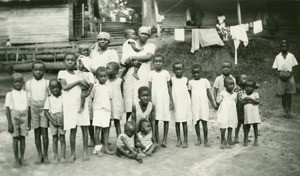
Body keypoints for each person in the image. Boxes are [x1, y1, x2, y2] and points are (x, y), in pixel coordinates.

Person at [58, 52, 90, 162]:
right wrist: (78, 82)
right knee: (73, 130)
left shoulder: (79, 73)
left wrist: (85, 84)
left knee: (85, 128)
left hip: (81, 104)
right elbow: (65, 87)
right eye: (68, 60)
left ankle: (85, 152)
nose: (70, 61)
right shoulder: (62, 73)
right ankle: (73, 154)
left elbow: (87, 84)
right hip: (70, 105)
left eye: (73, 60)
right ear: (64, 62)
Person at [122, 26, 156, 121]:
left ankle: (144, 126)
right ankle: (130, 128)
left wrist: (132, 57)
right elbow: (124, 62)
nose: (144, 36)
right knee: (130, 101)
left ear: (148, 36)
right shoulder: (130, 44)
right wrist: (131, 62)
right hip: (130, 75)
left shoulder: (150, 46)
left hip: (143, 75)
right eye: (142, 33)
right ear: (138, 34)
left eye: (146, 34)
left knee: (143, 99)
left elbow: (148, 57)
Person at [25, 61, 50, 164]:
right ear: (32, 71)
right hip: (33, 109)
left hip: (44, 109)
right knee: (37, 133)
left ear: (44, 71)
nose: (38, 72)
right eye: (36, 69)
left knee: (44, 133)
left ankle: (45, 154)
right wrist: (29, 118)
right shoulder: (28, 84)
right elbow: (28, 102)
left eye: (40, 70)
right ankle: (39, 155)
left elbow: (49, 98)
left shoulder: (47, 83)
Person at [188, 64, 217, 147]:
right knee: (196, 122)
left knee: (204, 122)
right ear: (192, 73)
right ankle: (198, 138)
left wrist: (213, 103)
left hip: (203, 105)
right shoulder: (190, 82)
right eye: (194, 73)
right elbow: (189, 95)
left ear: (201, 72)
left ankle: (206, 139)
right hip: (195, 105)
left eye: (198, 72)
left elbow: (209, 93)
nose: (196, 74)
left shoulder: (205, 81)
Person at [5, 73, 29, 168]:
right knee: (15, 138)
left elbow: (29, 108)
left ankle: (22, 158)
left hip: (24, 117)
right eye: (16, 82)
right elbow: (7, 110)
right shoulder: (9, 94)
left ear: (23, 82)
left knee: (23, 138)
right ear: (12, 83)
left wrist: (29, 121)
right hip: (14, 117)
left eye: (20, 82)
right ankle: (16, 159)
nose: (18, 84)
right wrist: (9, 124)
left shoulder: (26, 93)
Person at [149, 54, 173, 147]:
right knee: (155, 119)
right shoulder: (151, 73)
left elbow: (169, 87)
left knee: (166, 118)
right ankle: (157, 139)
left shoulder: (166, 73)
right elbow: (150, 88)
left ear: (163, 63)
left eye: (160, 61)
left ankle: (165, 139)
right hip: (155, 99)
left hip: (164, 99)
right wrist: (150, 101)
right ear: (153, 63)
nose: (158, 63)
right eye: (156, 61)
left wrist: (171, 100)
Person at [92, 67, 115, 155]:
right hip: (97, 110)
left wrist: (111, 113)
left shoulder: (109, 87)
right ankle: (97, 149)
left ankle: (105, 148)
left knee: (106, 130)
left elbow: (110, 99)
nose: (103, 78)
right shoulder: (94, 87)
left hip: (106, 110)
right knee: (97, 130)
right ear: (97, 77)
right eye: (101, 76)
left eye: (105, 76)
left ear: (107, 76)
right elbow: (93, 98)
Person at [272, 40, 298, 118]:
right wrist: (279, 76)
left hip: (289, 75)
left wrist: (289, 76)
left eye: (285, 46)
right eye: (282, 46)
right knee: (283, 94)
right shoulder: (278, 56)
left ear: (288, 47)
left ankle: (289, 111)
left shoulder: (291, 56)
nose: (284, 48)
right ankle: (284, 110)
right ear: (280, 47)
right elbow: (276, 68)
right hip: (281, 75)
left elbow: (294, 68)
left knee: (289, 94)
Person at [44, 79, 66, 164]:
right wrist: (52, 121)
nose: (55, 89)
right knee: (54, 138)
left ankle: (63, 156)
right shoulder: (49, 99)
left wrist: (64, 120)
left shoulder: (64, 97)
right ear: (50, 89)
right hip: (53, 119)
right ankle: (56, 156)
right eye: (53, 88)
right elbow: (46, 111)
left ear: (60, 87)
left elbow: (66, 109)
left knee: (62, 138)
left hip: (61, 118)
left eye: (57, 87)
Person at [78, 44, 95, 147]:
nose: (84, 52)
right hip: (81, 93)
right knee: (85, 118)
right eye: (82, 51)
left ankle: (93, 138)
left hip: (89, 94)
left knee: (90, 118)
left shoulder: (88, 67)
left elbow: (91, 82)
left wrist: (88, 90)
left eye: (86, 51)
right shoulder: (79, 69)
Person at [171, 62, 191, 148]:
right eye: (176, 69)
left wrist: (188, 103)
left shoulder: (186, 79)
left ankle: (185, 140)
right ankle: (178, 139)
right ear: (173, 71)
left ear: (183, 70)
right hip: (176, 103)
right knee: (177, 121)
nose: (178, 71)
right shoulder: (172, 80)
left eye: (180, 69)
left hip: (184, 103)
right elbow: (170, 91)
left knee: (184, 122)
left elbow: (189, 92)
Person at [216, 77, 238, 149]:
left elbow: (235, 103)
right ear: (225, 85)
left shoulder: (235, 94)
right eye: (229, 84)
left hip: (231, 113)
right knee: (223, 127)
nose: (232, 86)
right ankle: (222, 141)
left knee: (230, 127)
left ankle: (229, 140)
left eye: (233, 84)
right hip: (224, 113)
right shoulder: (222, 93)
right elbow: (218, 102)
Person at [106, 62, 124, 138]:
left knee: (117, 123)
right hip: (108, 104)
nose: (106, 70)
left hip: (116, 104)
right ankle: (105, 141)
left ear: (115, 71)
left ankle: (119, 139)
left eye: (108, 68)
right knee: (107, 123)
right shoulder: (105, 81)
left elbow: (121, 93)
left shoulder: (120, 81)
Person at [241, 80, 261, 146]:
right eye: (247, 86)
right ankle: (245, 139)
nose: (249, 88)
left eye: (251, 87)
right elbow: (242, 103)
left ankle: (256, 140)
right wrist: (249, 102)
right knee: (247, 126)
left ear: (254, 88)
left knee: (255, 126)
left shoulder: (255, 94)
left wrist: (250, 99)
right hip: (247, 114)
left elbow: (257, 102)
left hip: (254, 114)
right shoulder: (243, 94)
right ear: (244, 87)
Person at [234, 74, 247, 144]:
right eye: (244, 79)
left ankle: (246, 136)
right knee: (238, 123)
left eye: (246, 79)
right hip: (239, 107)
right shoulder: (237, 89)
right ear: (239, 82)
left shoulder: (247, 88)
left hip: (245, 107)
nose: (246, 80)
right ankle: (236, 136)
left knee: (246, 123)